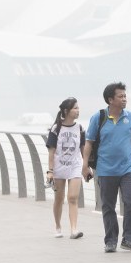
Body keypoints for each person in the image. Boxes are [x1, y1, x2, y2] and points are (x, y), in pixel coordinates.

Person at [82, 82, 131, 253]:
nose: (124, 99)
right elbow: (89, 143)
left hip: (127, 169)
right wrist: (85, 166)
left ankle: (130, 239)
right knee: (108, 206)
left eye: (125, 96)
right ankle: (110, 241)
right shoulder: (99, 117)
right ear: (110, 99)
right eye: (121, 96)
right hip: (105, 170)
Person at [45, 97, 85, 240]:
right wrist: (50, 171)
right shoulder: (56, 128)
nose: (78, 110)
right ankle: (57, 226)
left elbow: (83, 149)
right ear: (66, 111)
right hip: (59, 167)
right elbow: (51, 152)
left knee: (73, 197)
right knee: (59, 198)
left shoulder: (80, 128)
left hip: (75, 166)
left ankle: (74, 229)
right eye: (75, 108)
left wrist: (86, 167)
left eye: (78, 108)